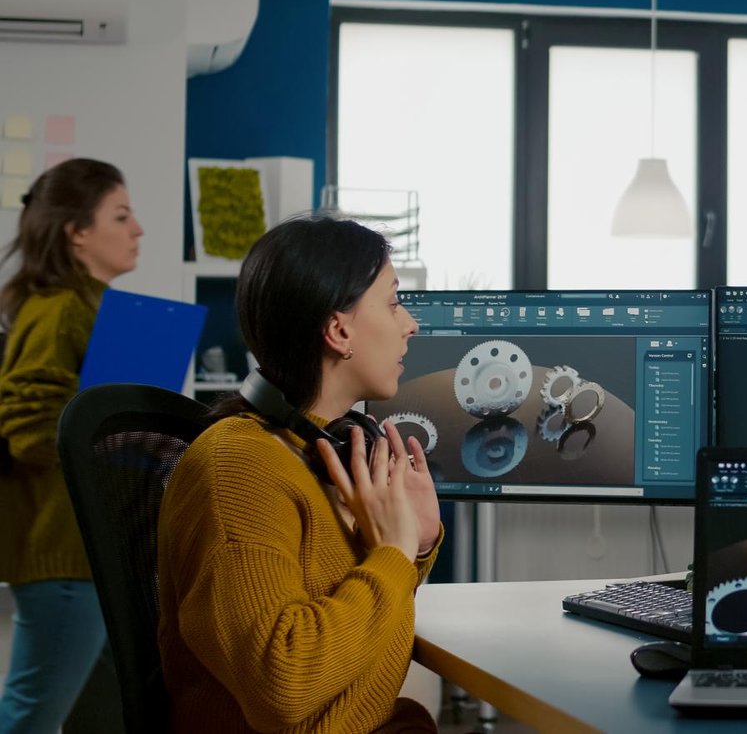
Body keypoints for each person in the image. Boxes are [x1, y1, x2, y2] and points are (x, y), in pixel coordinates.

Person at [157, 215, 443, 733]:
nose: (411, 325)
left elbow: (356, 645)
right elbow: (285, 685)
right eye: (394, 302)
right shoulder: (239, 467)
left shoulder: (316, 454)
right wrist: (394, 554)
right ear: (339, 330)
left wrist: (414, 546)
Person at [0, 159, 142, 733]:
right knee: (33, 717)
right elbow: (29, 427)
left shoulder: (91, 309)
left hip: (91, 550)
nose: (138, 230)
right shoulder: (59, 309)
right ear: (77, 231)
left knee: (101, 716)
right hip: (64, 551)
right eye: (122, 215)